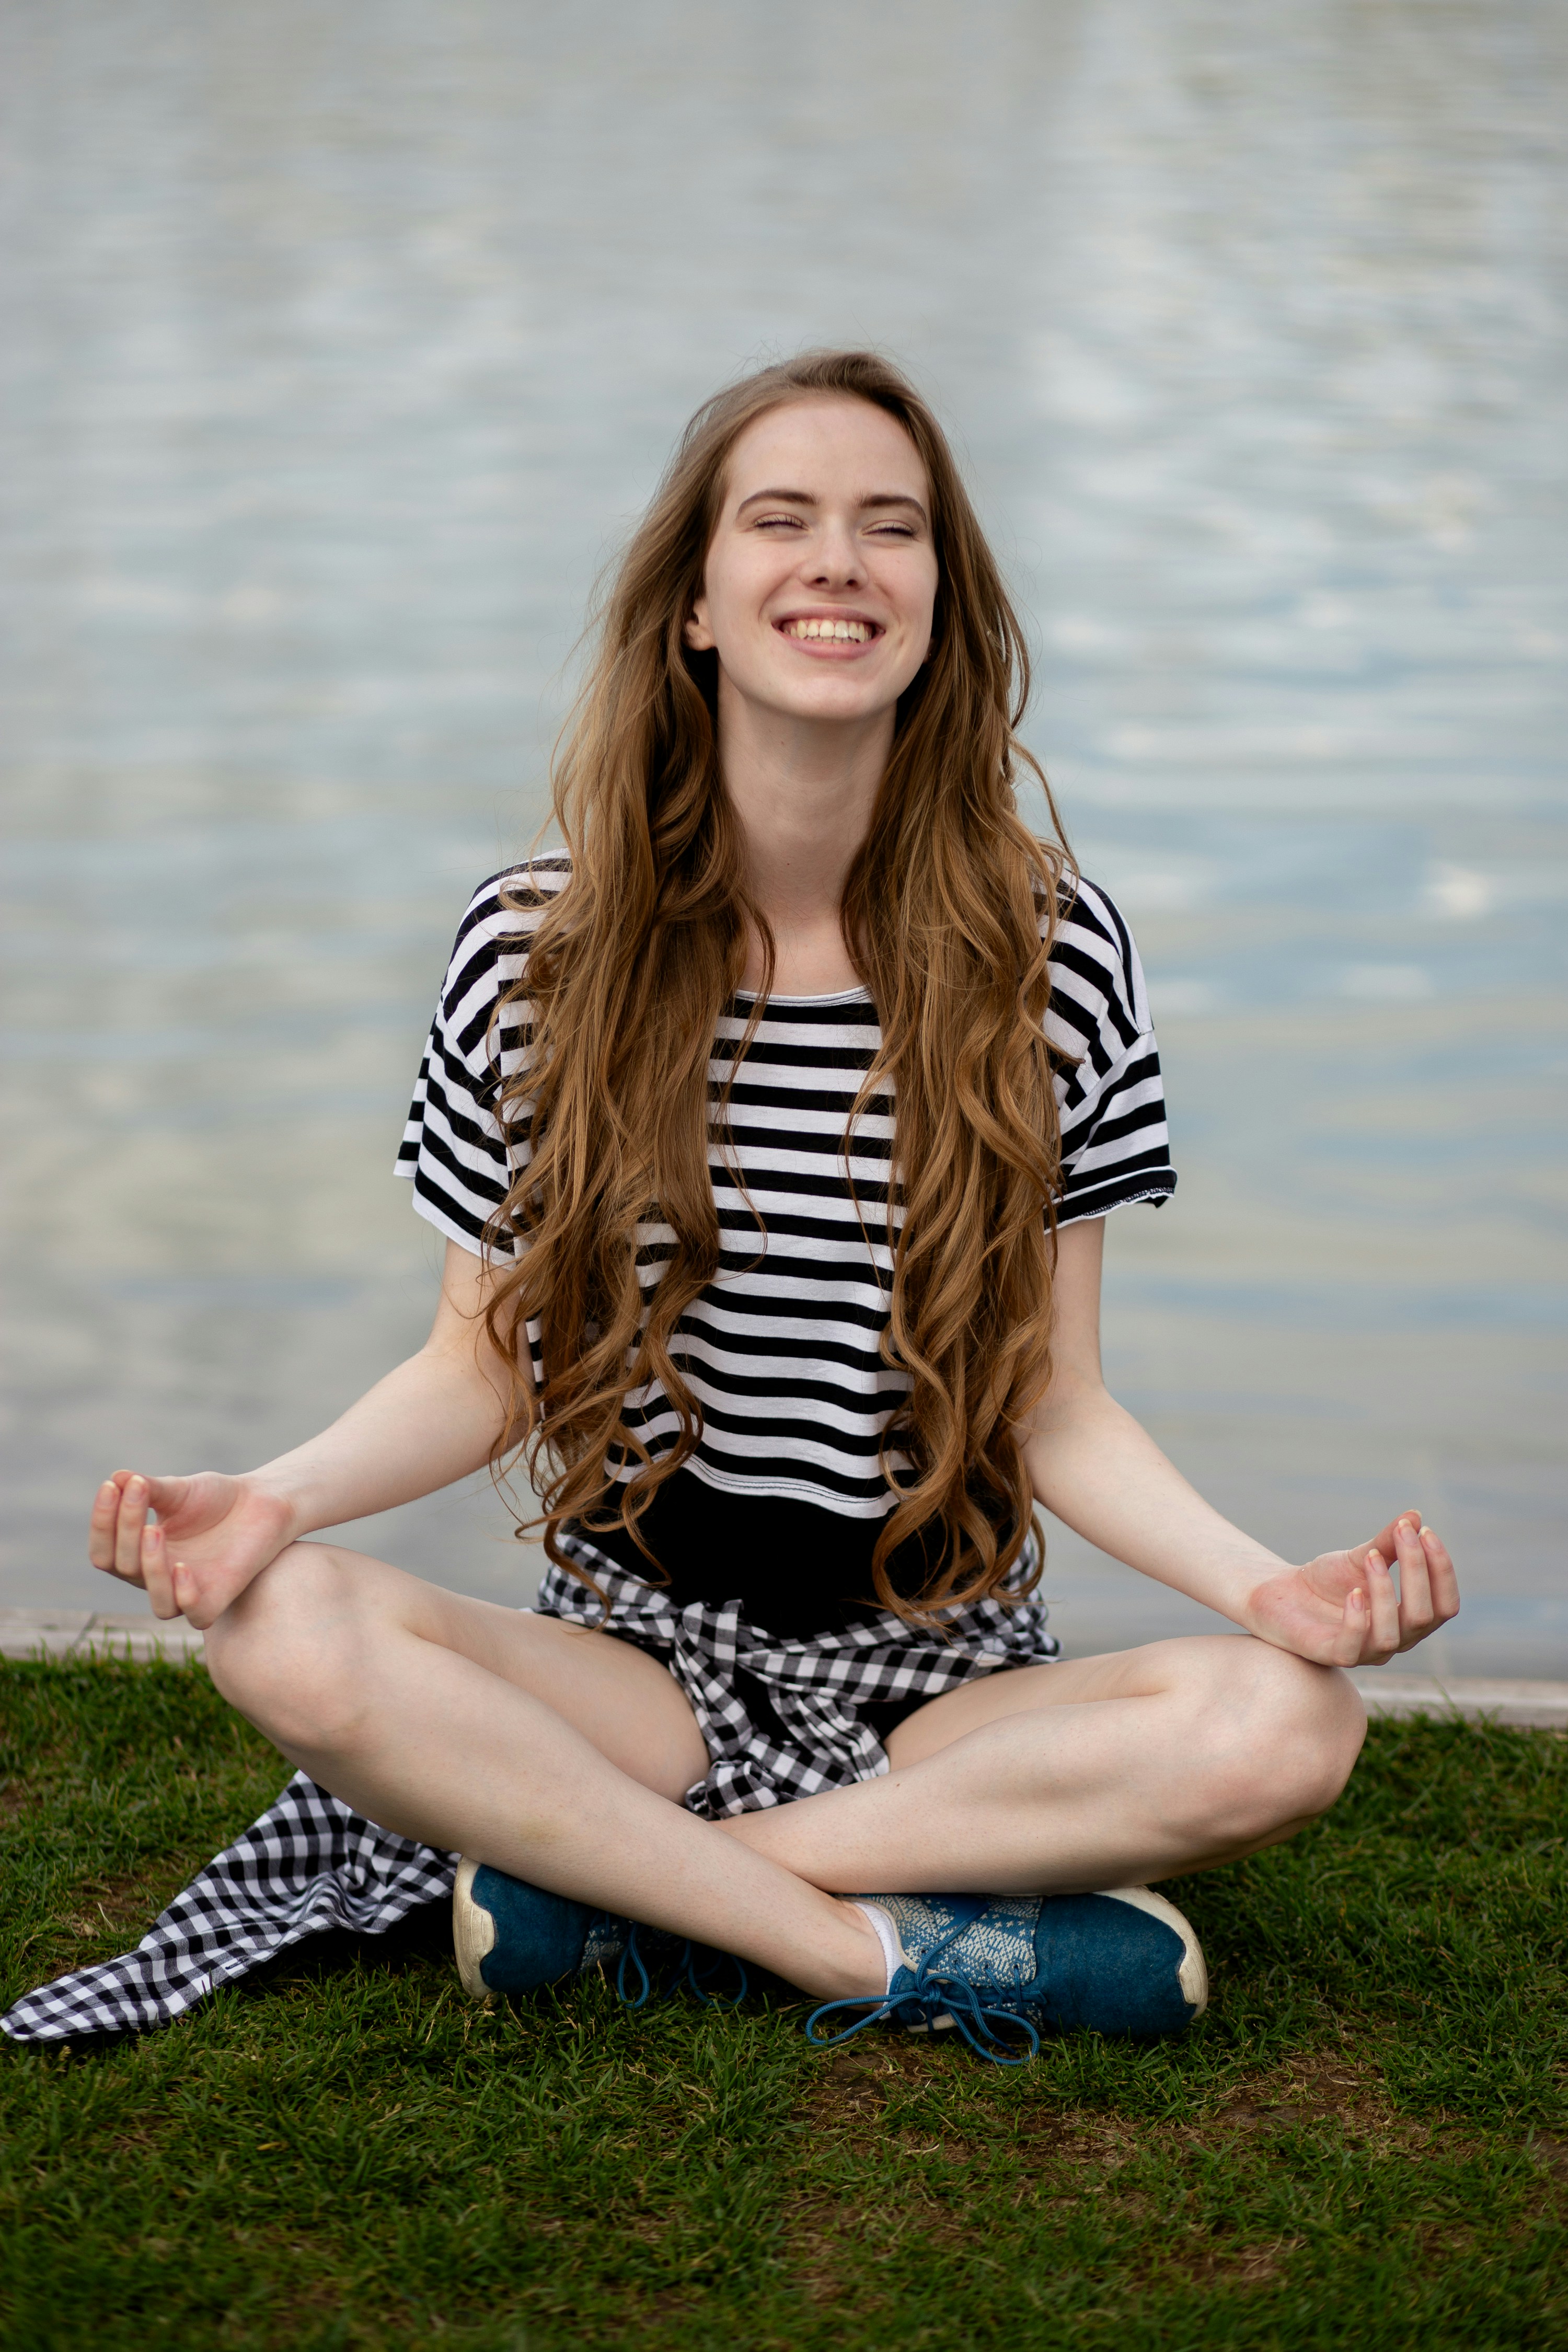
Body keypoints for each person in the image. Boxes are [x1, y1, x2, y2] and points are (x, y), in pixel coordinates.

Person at [84, 350, 1458, 2063]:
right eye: (782, 519)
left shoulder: (1057, 956)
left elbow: (1054, 1401)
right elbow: (479, 1362)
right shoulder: (534, 953)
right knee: (281, 1616)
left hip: (949, 1688)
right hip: (636, 1665)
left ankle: (619, 1888)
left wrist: (1273, 1595)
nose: (840, 561)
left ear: (939, 610)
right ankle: (879, 1949)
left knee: (1287, 1728)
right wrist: (266, 1497)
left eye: (893, 527)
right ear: (699, 608)